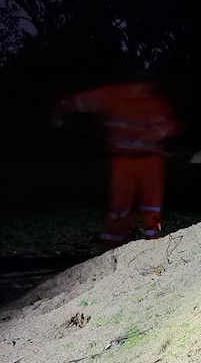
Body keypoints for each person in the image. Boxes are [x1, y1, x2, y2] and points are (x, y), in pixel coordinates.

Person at [53, 78, 179, 246]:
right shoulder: (114, 94)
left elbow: (169, 128)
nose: (145, 87)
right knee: (120, 202)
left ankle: (153, 239)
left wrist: (166, 138)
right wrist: (61, 110)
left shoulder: (156, 101)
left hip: (151, 159)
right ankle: (112, 240)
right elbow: (82, 101)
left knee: (152, 202)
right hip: (123, 159)